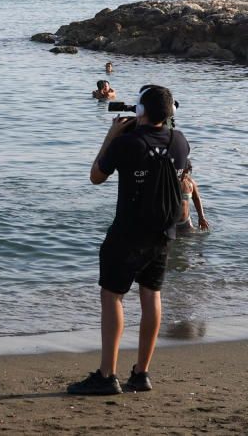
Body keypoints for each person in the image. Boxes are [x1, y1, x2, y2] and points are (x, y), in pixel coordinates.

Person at [68, 84, 190, 395]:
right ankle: (141, 373)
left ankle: (107, 375)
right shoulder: (179, 141)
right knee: (152, 296)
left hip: (127, 233)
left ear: (140, 111)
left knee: (113, 297)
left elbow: (96, 176)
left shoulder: (127, 143)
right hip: (162, 234)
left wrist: (111, 137)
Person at [177, 161, 209, 234]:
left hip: (186, 222)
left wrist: (201, 217)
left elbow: (197, 199)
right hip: (172, 222)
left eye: (187, 172)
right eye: (183, 172)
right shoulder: (171, 182)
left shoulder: (190, 182)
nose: (185, 175)